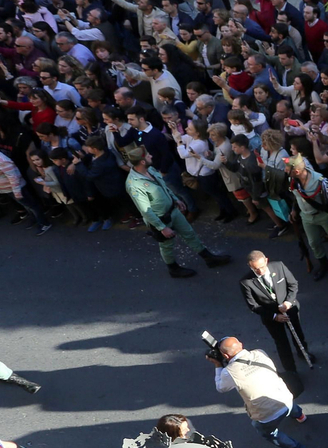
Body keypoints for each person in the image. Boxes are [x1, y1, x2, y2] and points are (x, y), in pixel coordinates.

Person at [123, 146, 230, 278]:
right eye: (148, 155)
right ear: (142, 162)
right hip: (161, 219)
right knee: (167, 245)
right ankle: (173, 269)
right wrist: (162, 228)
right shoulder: (134, 184)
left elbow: (163, 187)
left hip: (173, 210)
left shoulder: (150, 169)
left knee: (189, 233)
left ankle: (209, 258)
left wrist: (175, 199)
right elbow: (145, 211)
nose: (151, 156)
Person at [209, 335, 310, 448]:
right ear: (241, 344)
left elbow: (220, 387)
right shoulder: (259, 352)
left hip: (267, 414)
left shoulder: (228, 372)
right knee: (283, 400)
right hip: (285, 398)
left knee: (267, 432)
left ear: (226, 356)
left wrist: (218, 364)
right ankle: (300, 416)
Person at [239, 250, 310, 374]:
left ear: (266, 260)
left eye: (262, 267)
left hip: (290, 309)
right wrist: (274, 316)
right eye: (256, 269)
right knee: (282, 343)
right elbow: (253, 305)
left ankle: (303, 352)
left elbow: (293, 285)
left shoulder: (279, 266)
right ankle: (291, 371)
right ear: (250, 266)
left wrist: (288, 302)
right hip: (271, 317)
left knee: (298, 334)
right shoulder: (246, 282)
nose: (260, 272)